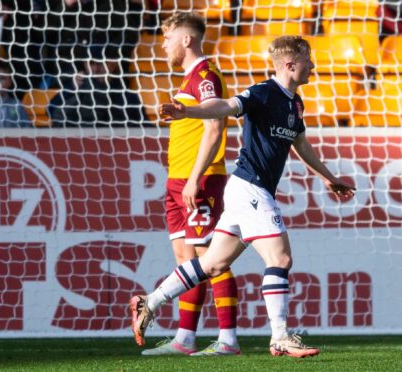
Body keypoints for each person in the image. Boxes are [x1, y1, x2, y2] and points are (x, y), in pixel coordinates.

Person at [129, 35, 356, 358]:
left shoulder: (295, 101)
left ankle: (149, 302)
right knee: (280, 259)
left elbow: (301, 144)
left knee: (212, 263)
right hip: (251, 187)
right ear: (291, 64)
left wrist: (329, 178)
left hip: (243, 190)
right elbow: (225, 106)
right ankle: (279, 336)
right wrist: (188, 111)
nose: (314, 66)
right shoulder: (263, 93)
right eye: (308, 61)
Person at [136, 12, 240, 357]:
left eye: (167, 38)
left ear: (186, 39)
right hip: (178, 181)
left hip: (202, 179)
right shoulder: (187, 81)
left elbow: (215, 126)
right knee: (186, 262)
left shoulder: (205, 76)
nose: (162, 45)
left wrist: (195, 179)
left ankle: (228, 340)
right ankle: (185, 338)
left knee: (212, 259)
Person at [48, 44, 149, 128]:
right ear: (85, 65)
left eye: (101, 63)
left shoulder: (127, 97)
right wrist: (71, 88)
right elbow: (50, 110)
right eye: (92, 63)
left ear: (113, 64)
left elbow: (146, 127)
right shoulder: (74, 89)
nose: (96, 69)